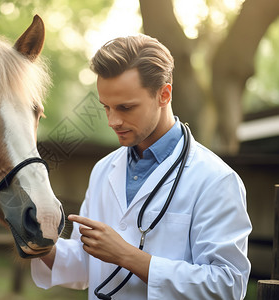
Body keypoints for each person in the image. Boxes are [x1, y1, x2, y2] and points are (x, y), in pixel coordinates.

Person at [30, 34, 252, 299]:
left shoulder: (216, 180)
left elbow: (227, 286)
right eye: (106, 107)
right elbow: (87, 265)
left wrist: (127, 255)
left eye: (125, 108)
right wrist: (42, 245)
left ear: (164, 94)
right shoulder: (103, 169)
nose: (113, 121)